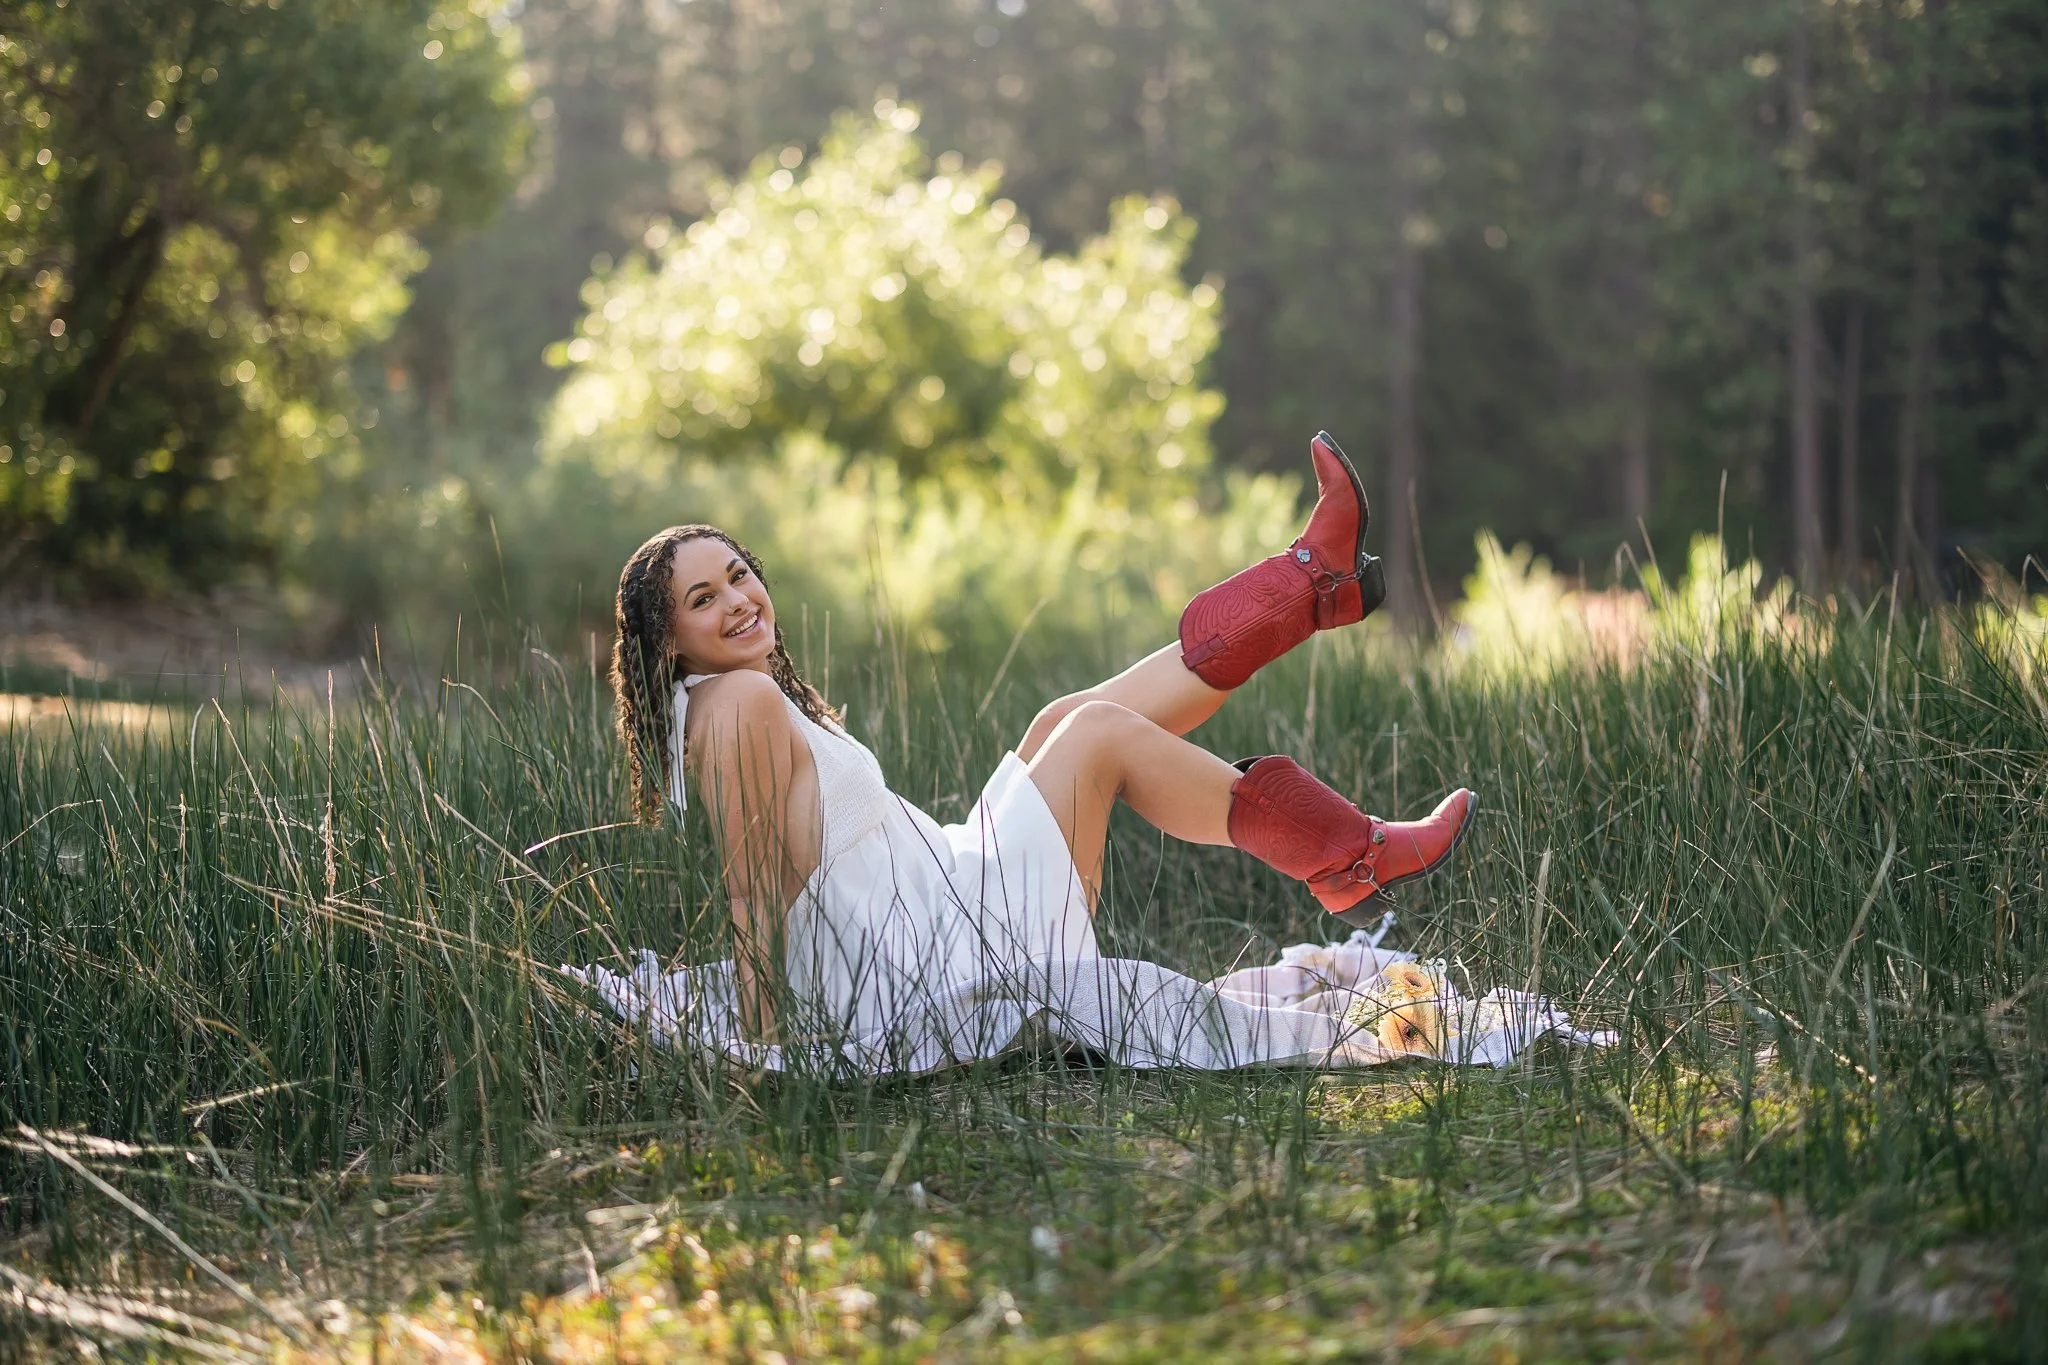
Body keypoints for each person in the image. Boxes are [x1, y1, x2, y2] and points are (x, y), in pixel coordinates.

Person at [608, 431, 1475, 1055]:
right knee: (1096, 734)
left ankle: (1314, 586)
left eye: (738, 574)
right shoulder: (744, 704)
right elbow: (754, 890)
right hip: (936, 961)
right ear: (668, 638)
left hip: (941, 904)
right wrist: (772, 1055)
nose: (736, 600)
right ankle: (1349, 852)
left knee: (1062, 719)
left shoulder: (729, 697)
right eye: (701, 599)